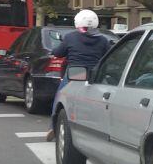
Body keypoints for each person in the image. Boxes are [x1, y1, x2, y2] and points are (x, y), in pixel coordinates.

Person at [45, 9, 110, 141]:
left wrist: (54, 50)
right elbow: (108, 57)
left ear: (78, 22)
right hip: (95, 76)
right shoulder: (103, 40)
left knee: (59, 99)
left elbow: (58, 53)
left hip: (75, 74)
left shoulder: (70, 37)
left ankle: (53, 127)